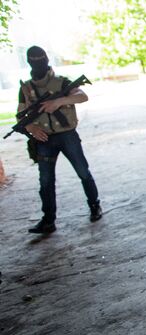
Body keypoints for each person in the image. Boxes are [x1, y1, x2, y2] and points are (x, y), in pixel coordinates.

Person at [18, 46, 102, 234]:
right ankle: (48, 220)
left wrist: (58, 102)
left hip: (66, 135)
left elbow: (82, 96)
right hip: (44, 138)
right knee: (45, 181)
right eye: (34, 60)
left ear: (46, 61)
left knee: (83, 172)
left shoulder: (62, 83)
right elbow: (20, 115)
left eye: (40, 60)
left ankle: (95, 205)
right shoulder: (25, 88)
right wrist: (31, 128)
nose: (37, 64)